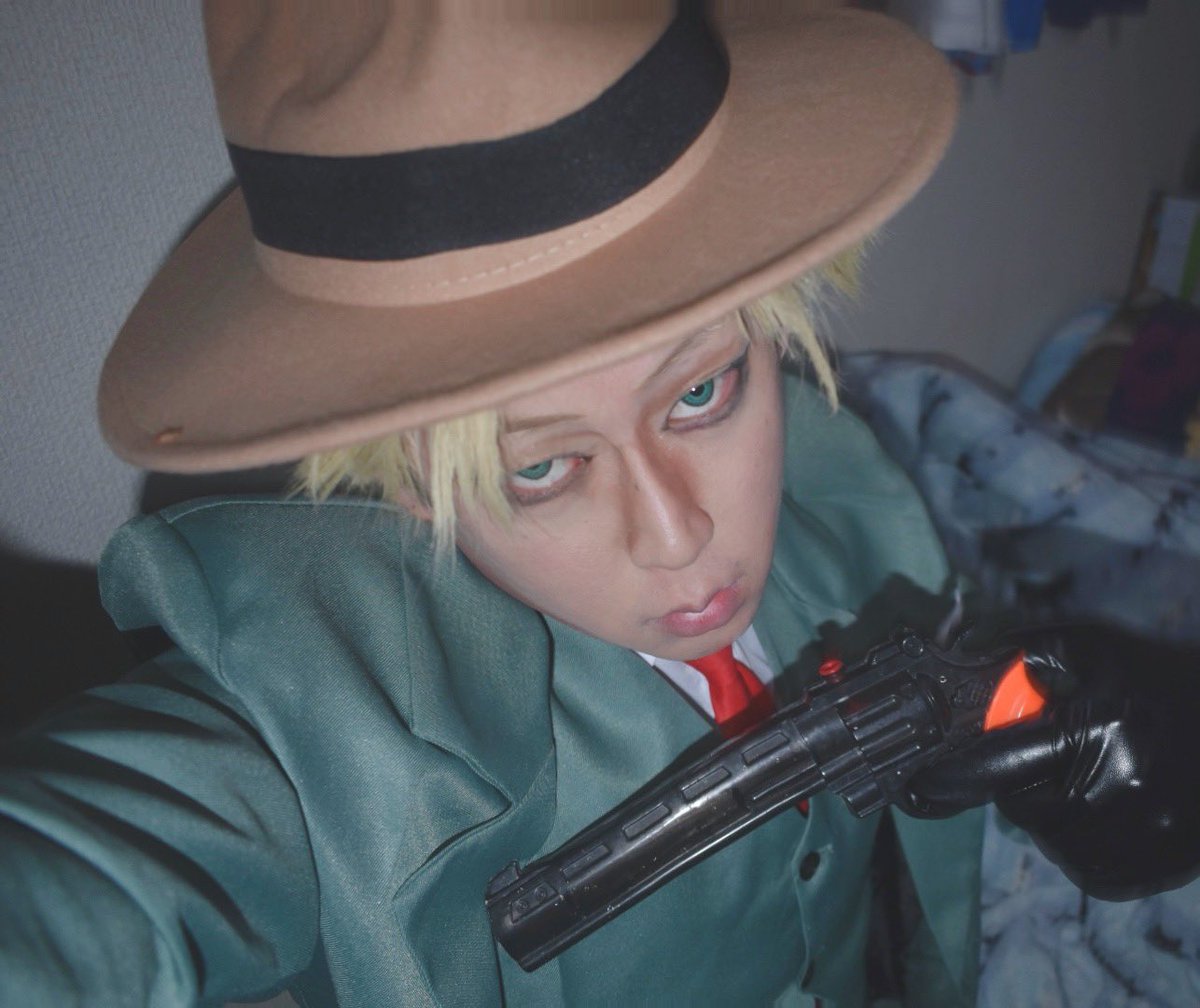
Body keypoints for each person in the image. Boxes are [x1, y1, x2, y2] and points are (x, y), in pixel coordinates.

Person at [1, 3, 1196, 1006]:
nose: (681, 536)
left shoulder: (854, 504)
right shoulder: (336, 729)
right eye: (540, 468)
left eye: (702, 393)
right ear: (402, 480)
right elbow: (94, 876)